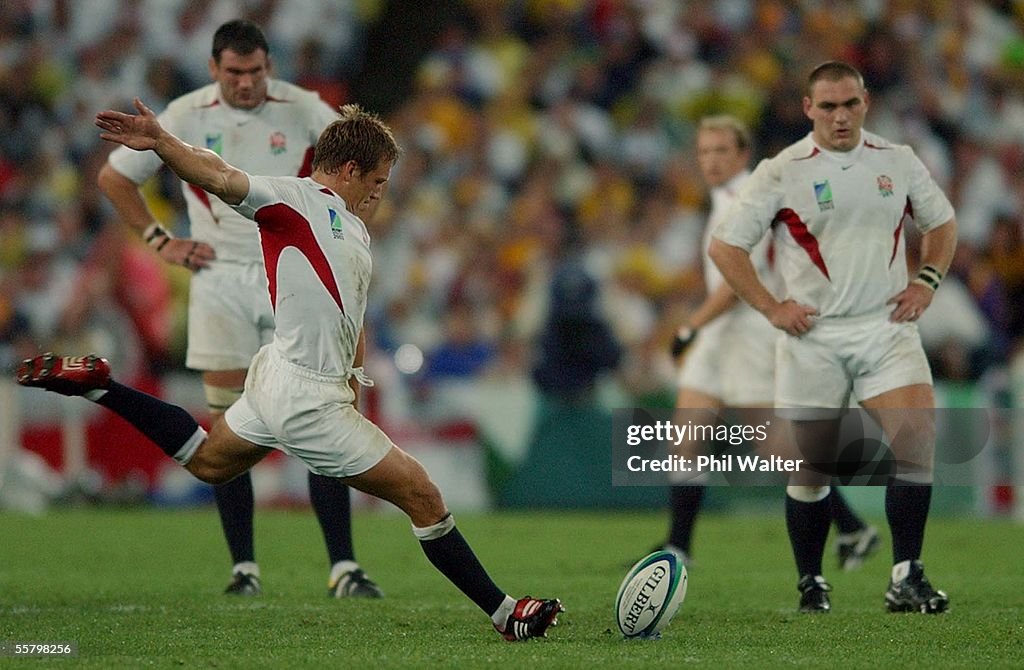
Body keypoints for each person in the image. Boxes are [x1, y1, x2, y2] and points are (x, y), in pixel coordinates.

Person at [18, 99, 562, 641]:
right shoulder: (294, 198)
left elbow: (350, 312)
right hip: (305, 395)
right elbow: (219, 174)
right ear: (349, 170)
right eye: (376, 180)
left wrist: (352, 374)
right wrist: (163, 143)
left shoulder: (350, 227)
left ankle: (100, 387)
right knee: (422, 495)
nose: (380, 192)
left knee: (209, 461)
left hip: (280, 375)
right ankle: (506, 613)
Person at [97, 20, 379, 598]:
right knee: (226, 425)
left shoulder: (303, 108)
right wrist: (159, 240)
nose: (246, 83)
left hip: (292, 272)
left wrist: (343, 235)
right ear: (213, 69)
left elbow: (364, 164)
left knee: (323, 411)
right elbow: (113, 178)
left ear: (268, 66)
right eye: (234, 72)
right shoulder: (182, 114)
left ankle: (343, 566)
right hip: (220, 275)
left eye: (255, 71)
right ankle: (244, 568)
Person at [710, 61, 956, 614]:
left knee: (916, 444)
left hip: (885, 326)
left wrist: (928, 279)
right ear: (807, 109)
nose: (840, 116)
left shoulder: (898, 160)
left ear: (866, 102)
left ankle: (906, 576)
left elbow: (942, 223)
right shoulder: (783, 170)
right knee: (808, 474)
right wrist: (771, 307)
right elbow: (727, 247)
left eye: (850, 104)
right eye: (828, 106)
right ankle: (810, 582)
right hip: (812, 337)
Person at [654, 115, 878, 571]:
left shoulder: (748, 197)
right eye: (703, 151)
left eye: (721, 150)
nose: (711, 160)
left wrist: (690, 326)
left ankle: (853, 527)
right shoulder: (721, 199)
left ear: (741, 154)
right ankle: (678, 546)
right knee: (686, 435)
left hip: (749, 331)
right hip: (722, 332)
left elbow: (739, 281)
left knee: (775, 449)